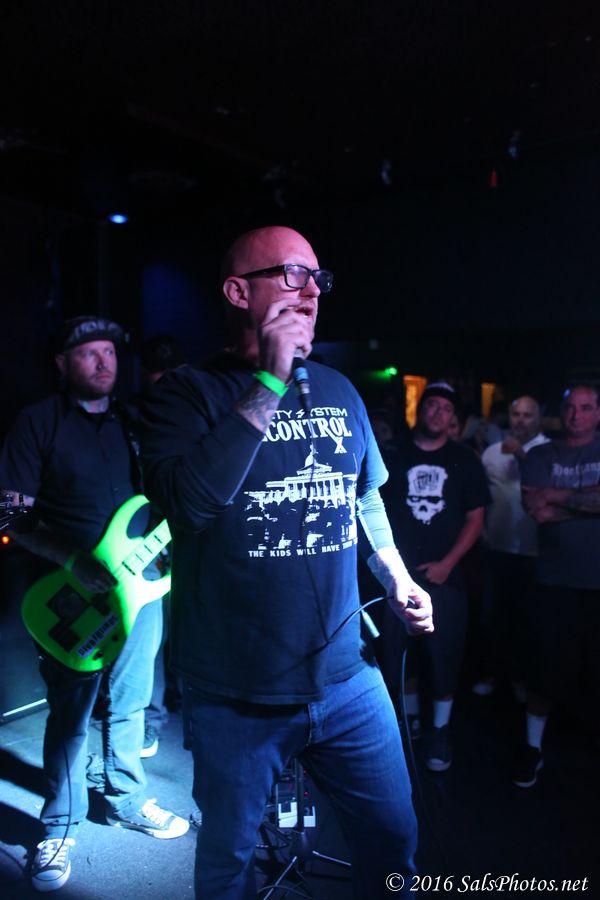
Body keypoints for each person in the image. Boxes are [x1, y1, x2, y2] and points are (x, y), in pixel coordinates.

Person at [140, 225, 433, 899]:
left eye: (318, 279)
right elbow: (189, 506)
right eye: (291, 274)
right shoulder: (183, 395)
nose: (311, 291)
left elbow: (363, 496)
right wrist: (270, 378)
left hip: (346, 678)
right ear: (237, 292)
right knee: (229, 862)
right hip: (236, 691)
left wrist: (396, 576)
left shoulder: (340, 389)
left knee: (393, 839)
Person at [0, 316, 189, 893]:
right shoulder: (37, 423)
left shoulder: (132, 422)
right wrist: (72, 560)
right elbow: (11, 515)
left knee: (132, 701)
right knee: (71, 713)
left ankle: (127, 799)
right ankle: (59, 827)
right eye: (89, 353)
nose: (104, 362)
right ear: (62, 363)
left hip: (139, 590)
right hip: (70, 597)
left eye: (110, 352)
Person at [377, 382, 490, 770]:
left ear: (453, 417)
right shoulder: (394, 454)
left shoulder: (464, 460)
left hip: (445, 578)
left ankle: (440, 731)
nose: (437, 412)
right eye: (432, 405)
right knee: (398, 655)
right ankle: (410, 722)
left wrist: (447, 563)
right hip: (398, 576)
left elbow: (476, 518)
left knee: (444, 656)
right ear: (420, 409)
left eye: (446, 408)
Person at [516, 384, 600, 787]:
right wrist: (586, 502)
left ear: (598, 413)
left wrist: (555, 494)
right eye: (570, 407)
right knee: (543, 670)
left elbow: (548, 504)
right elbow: (537, 510)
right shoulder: (540, 454)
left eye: (585, 408)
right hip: (554, 582)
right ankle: (532, 748)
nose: (576, 415)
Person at [473, 396, 549, 696]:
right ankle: (495, 676)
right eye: (516, 414)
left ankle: (523, 681)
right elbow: (479, 495)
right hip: (497, 549)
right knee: (494, 618)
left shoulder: (548, 451)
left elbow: (547, 488)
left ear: (538, 418)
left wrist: (521, 456)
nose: (521, 420)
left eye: (527, 415)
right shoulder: (492, 452)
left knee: (529, 621)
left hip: (535, 552)